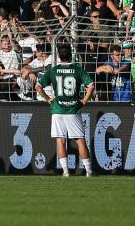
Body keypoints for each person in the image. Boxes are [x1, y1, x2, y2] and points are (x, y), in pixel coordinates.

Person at [35, 44, 95, 177]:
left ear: (59, 56)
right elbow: (91, 85)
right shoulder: (77, 70)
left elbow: (38, 86)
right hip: (73, 109)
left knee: (60, 140)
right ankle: (89, 171)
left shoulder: (53, 70)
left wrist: (48, 99)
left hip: (57, 109)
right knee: (80, 140)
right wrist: (85, 99)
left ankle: (66, 171)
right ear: (71, 55)